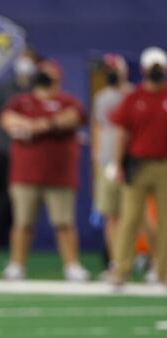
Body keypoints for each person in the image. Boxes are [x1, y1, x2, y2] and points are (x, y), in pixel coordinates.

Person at [0, 59, 90, 281]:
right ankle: (16, 265)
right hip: (25, 174)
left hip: (59, 175)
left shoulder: (67, 100)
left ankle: (72, 265)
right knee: (22, 223)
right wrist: (36, 125)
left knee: (64, 223)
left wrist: (43, 125)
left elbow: (72, 118)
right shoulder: (21, 101)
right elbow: (7, 120)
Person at [109, 46, 167, 286]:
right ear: (143, 69)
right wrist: (117, 163)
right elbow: (121, 132)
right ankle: (121, 270)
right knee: (129, 219)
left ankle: (162, 271)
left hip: (164, 166)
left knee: (165, 221)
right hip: (138, 165)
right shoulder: (133, 98)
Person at [0, 48, 37, 247]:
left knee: (15, 201)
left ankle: (7, 240)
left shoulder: (35, 91)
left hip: (22, 154)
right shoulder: (6, 89)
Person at [90, 53, 132, 278]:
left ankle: (156, 264)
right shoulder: (101, 97)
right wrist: (97, 160)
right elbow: (97, 128)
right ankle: (116, 265)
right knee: (111, 215)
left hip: (133, 163)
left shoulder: (134, 95)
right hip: (106, 163)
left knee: (138, 217)